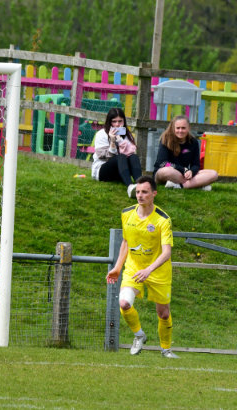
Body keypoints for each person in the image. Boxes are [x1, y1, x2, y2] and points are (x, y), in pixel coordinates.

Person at [106, 176, 178, 359]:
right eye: (137, 192)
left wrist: (149, 270)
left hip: (158, 271)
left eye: (144, 192)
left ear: (154, 194)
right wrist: (117, 268)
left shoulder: (163, 219)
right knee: (124, 303)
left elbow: (167, 253)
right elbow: (126, 242)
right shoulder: (126, 214)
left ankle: (166, 350)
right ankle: (139, 335)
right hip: (134, 268)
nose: (140, 195)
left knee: (163, 314)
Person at [153, 115, 218, 190]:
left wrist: (192, 172)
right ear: (173, 128)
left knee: (214, 174)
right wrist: (183, 169)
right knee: (167, 171)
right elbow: (163, 163)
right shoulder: (165, 139)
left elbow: (196, 164)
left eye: (183, 128)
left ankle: (181, 186)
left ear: (188, 128)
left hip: (184, 174)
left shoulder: (193, 142)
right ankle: (197, 185)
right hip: (167, 173)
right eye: (178, 128)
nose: (180, 131)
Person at [91, 107, 142, 198]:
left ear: (124, 121)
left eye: (120, 121)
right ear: (109, 122)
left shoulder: (127, 134)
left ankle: (141, 184)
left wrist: (121, 140)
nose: (117, 124)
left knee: (134, 157)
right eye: (114, 121)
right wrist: (113, 142)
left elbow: (131, 152)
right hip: (102, 170)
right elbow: (102, 156)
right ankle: (130, 187)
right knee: (120, 157)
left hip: (121, 169)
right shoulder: (101, 134)